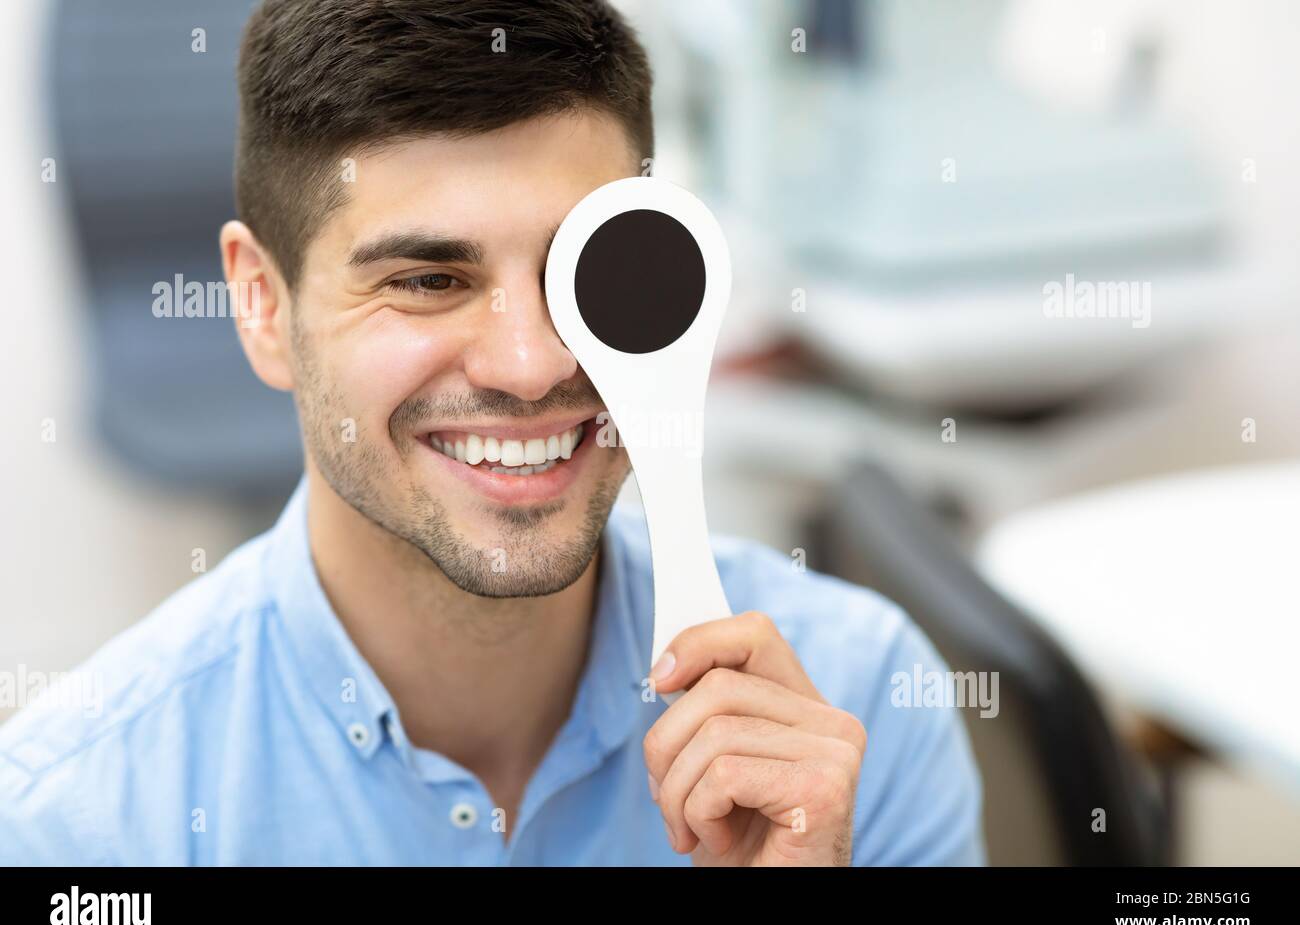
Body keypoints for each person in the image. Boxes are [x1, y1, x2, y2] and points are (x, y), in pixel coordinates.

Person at [0, 0, 984, 865]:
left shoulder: (858, 703)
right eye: (428, 280)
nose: (530, 364)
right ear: (263, 305)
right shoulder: (80, 826)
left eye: (580, 272)